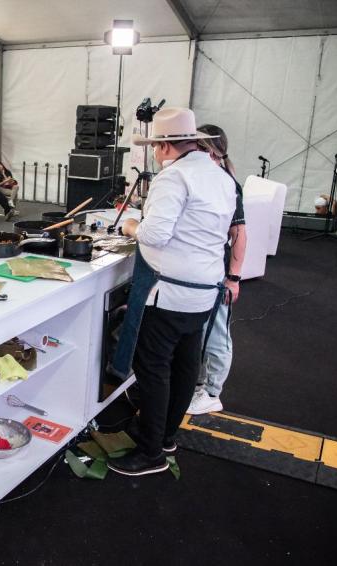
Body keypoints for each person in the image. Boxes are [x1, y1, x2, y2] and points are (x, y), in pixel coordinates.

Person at [107, 108, 236, 476]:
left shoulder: (173, 177)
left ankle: (150, 453)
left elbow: (155, 235)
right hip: (205, 290)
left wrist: (132, 225)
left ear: (164, 146)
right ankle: (164, 436)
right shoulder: (221, 176)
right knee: (184, 367)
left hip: (171, 293)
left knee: (153, 371)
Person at [187, 124, 247, 415]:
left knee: (216, 333)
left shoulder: (226, 183)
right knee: (200, 333)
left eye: (196, 147)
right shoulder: (206, 179)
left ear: (209, 151)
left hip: (218, 274)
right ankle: (199, 386)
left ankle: (212, 392)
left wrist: (233, 277)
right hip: (203, 273)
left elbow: (239, 234)